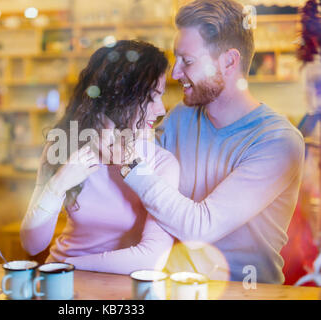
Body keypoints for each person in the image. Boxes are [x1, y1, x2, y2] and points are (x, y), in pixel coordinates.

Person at [116, 0, 305, 284]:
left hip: (246, 291)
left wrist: (129, 163)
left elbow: (200, 228)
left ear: (229, 61)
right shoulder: (181, 116)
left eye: (187, 61)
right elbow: (137, 163)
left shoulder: (278, 141)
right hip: (177, 287)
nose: (175, 73)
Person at [20, 40, 179, 275]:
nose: (161, 110)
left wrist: (64, 267)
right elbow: (32, 244)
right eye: (152, 97)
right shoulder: (63, 146)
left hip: (105, 282)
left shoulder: (161, 164)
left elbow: (152, 259)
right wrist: (57, 185)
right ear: (120, 95)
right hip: (61, 283)